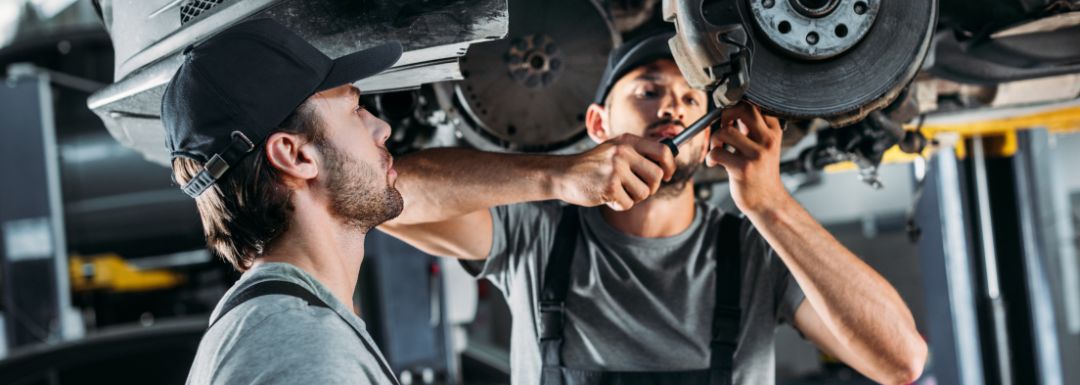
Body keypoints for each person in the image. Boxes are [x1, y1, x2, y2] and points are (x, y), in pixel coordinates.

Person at [380, 32, 927, 385]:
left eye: (692, 100)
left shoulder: (755, 256)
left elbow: (900, 361)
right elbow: (383, 195)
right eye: (647, 90)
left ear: (707, 134)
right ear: (598, 125)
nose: (672, 105)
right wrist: (556, 174)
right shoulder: (535, 234)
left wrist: (771, 204)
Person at [162, 18, 405, 384]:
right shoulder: (305, 350)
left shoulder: (268, 327)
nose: (381, 128)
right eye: (354, 109)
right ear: (296, 156)